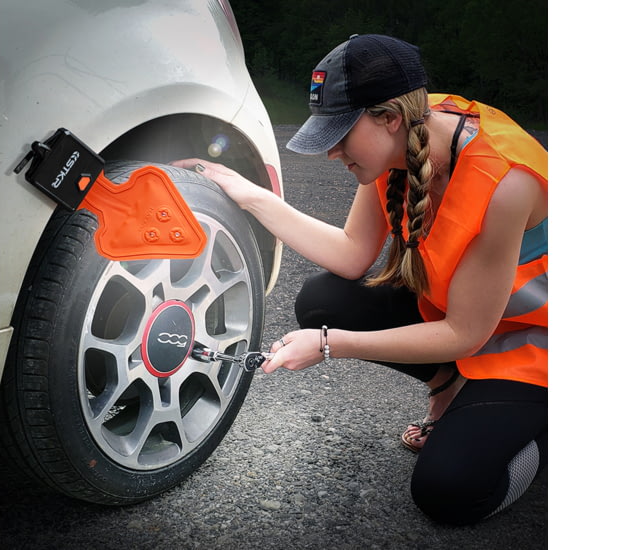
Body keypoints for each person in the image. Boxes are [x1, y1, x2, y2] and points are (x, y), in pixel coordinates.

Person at [172, 34, 546, 526]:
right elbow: (351, 255)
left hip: (528, 348)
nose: (331, 153)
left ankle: (538, 433)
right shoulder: (408, 131)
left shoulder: (506, 182)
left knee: (449, 491)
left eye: (340, 135)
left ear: (388, 118)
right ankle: (452, 385)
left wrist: (330, 345)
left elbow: (466, 333)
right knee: (322, 299)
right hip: (460, 318)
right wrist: (251, 196)